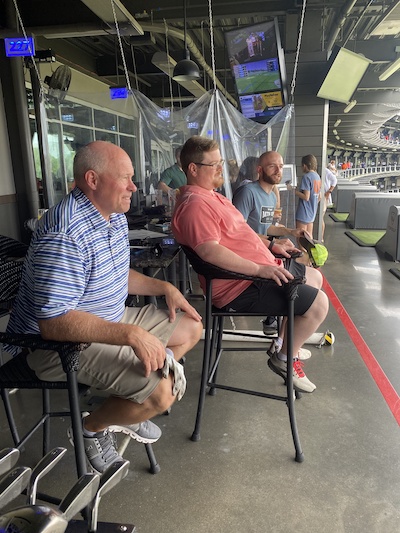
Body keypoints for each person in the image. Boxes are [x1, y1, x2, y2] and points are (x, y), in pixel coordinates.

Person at [7, 140, 203, 474]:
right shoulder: (65, 233)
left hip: (106, 319)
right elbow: (54, 324)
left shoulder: (111, 215)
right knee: (162, 393)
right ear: (92, 180)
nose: (134, 186)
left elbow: (114, 273)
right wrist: (131, 335)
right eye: (124, 178)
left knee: (191, 326)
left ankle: (124, 406)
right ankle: (91, 429)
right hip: (56, 346)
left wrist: (165, 287)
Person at [172, 136, 329, 393]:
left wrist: (270, 246)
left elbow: (241, 232)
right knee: (319, 304)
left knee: (315, 278)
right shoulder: (195, 206)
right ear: (193, 169)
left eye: (220, 162)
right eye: (214, 164)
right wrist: (260, 269)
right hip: (240, 285)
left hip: (254, 273)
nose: (221, 168)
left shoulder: (211, 196)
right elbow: (210, 251)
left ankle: (284, 344)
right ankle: (284, 358)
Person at [232, 150, 310, 339]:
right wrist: (272, 245)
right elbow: (237, 232)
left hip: (263, 249)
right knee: (298, 277)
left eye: (281, 166)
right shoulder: (247, 192)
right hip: (248, 256)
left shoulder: (271, 196)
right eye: (272, 166)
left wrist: (291, 232)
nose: (278, 170)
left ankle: (279, 332)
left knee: (299, 260)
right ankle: (280, 331)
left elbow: (267, 229)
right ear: (260, 170)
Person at [288, 154, 321, 237]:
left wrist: (293, 191)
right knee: (309, 238)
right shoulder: (317, 177)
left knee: (301, 238)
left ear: (305, 166)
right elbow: (319, 197)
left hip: (303, 212)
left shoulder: (307, 177)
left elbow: (306, 197)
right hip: (312, 212)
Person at [321, 167, 338, 241]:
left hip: (324, 197)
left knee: (321, 218)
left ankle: (321, 237)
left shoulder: (326, 171)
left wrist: (329, 191)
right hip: (320, 196)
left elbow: (334, 180)